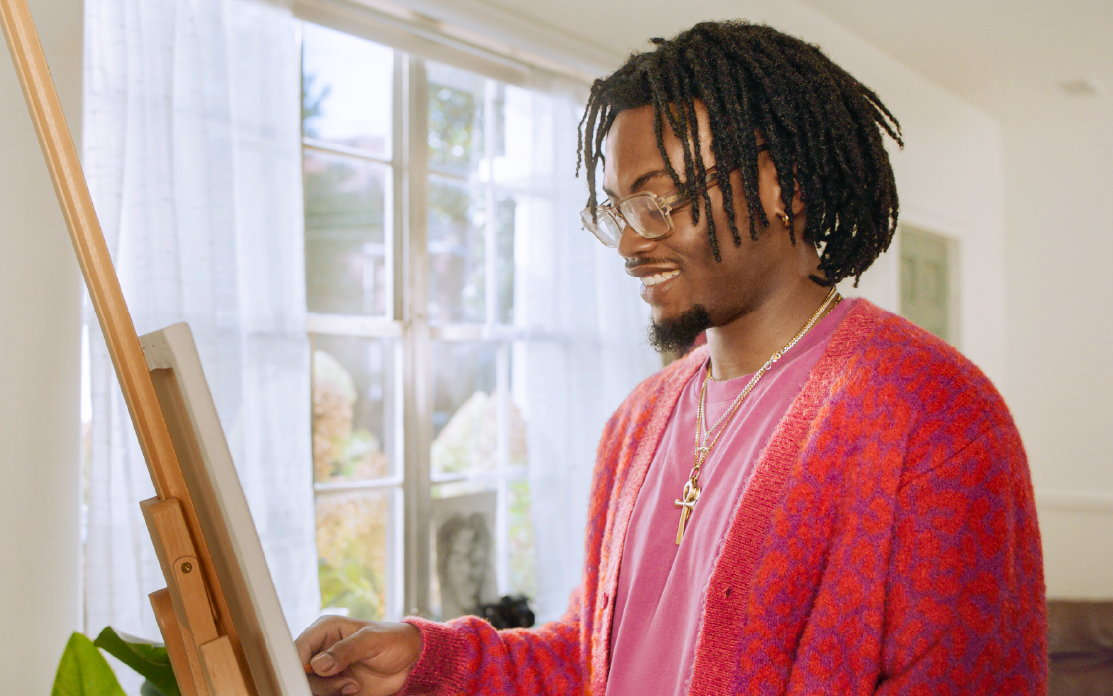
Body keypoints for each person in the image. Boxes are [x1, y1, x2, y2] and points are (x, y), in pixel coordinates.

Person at [295, 20, 1047, 695]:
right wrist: (429, 659)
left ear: (779, 186)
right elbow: (592, 660)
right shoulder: (640, 420)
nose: (629, 240)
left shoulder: (931, 413)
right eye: (617, 209)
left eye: (658, 202)